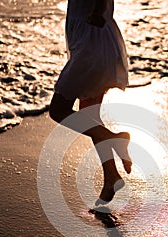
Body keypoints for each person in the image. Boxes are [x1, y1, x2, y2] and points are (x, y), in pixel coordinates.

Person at [49, 0, 132, 205]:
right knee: (90, 116)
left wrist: (99, 9)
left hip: (91, 46)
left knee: (58, 110)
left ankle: (115, 139)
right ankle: (111, 176)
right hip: (96, 43)